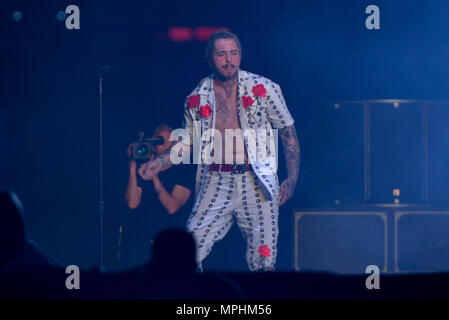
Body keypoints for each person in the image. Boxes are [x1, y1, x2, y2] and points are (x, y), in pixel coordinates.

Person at [139, 30, 300, 272]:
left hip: (256, 181)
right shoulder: (197, 97)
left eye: (234, 53)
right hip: (215, 179)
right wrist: (159, 163)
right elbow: (187, 143)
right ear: (210, 58)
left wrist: (292, 178)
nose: (229, 60)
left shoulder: (264, 88)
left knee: (264, 260)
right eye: (221, 54)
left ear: (240, 55)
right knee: (188, 252)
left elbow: (288, 133)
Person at [122, 124, 195, 269]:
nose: (162, 145)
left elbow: (172, 207)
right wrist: (132, 166)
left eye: (167, 141)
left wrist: (154, 177)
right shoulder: (143, 168)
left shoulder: (184, 171)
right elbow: (132, 203)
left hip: (169, 247)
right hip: (140, 243)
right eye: (158, 140)